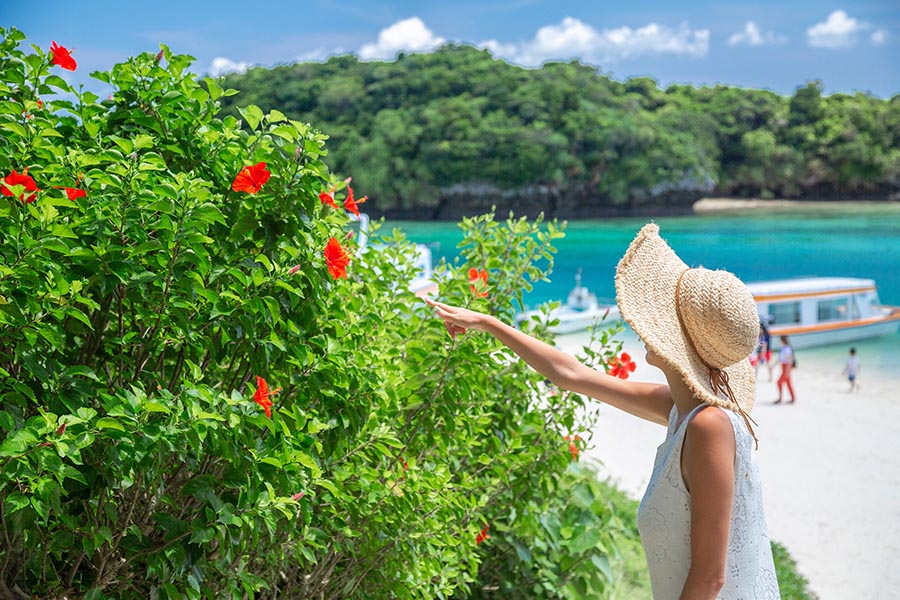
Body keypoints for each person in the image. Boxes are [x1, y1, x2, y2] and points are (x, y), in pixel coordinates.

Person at [426, 224, 780, 600]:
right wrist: (487, 323)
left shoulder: (709, 425)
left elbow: (711, 578)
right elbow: (572, 374)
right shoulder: (681, 410)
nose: (645, 325)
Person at [774, 336, 796, 404]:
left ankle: (781, 398)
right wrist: (773, 365)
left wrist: (787, 371)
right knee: (788, 383)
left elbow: (790, 360)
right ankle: (792, 398)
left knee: (779, 382)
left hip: (786, 367)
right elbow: (781, 359)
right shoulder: (783, 348)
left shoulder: (787, 348)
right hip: (784, 367)